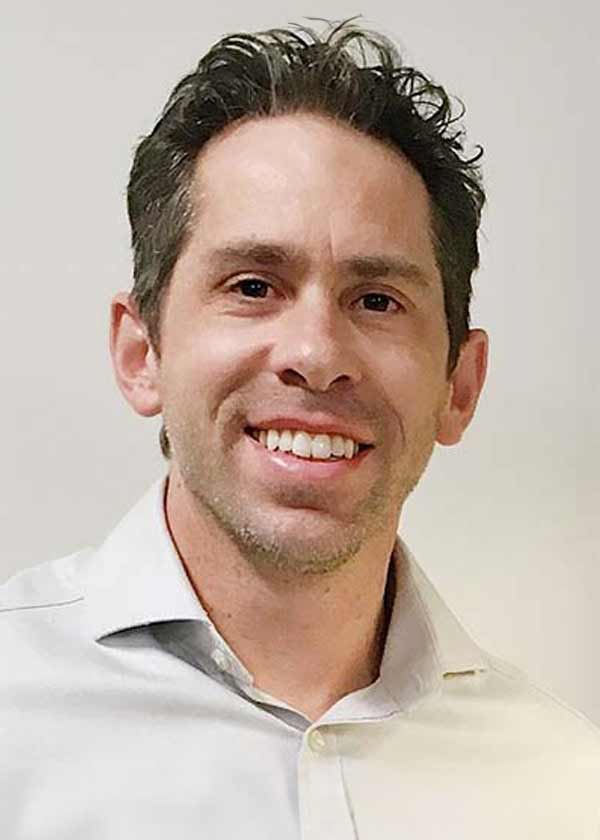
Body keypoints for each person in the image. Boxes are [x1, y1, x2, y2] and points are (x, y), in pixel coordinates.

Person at [1, 19, 598, 840]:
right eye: (253, 286)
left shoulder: (566, 785)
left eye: (377, 301)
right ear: (142, 354)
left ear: (459, 387)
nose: (317, 356)